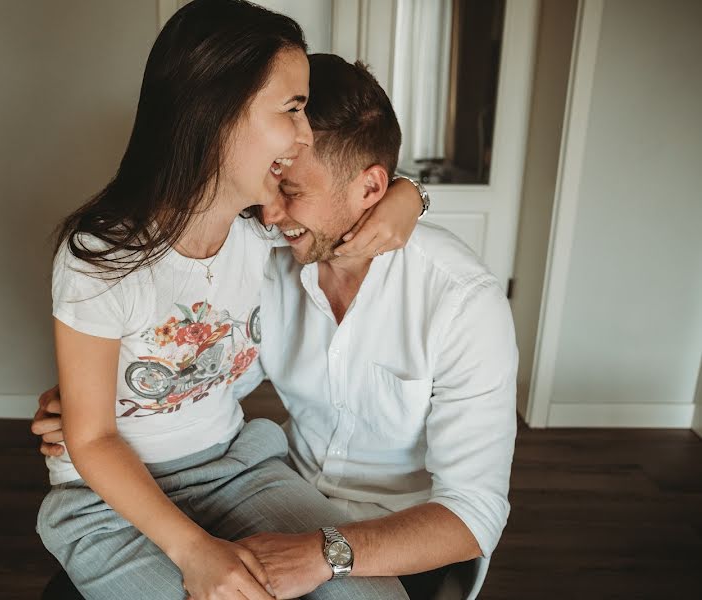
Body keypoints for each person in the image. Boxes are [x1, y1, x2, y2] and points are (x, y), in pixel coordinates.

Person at [35, 53, 518, 600]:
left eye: (292, 192)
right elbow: (210, 371)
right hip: (278, 487)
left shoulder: (461, 304)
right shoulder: (273, 257)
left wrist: (414, 194)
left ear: (370, 189)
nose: (268, 212)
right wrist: (102, 401)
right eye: (272, 180)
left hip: (399, 534)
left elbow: (474, 512)